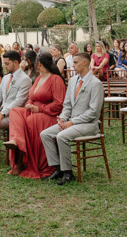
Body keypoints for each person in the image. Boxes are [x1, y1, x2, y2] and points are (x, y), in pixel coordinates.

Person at [40, 52, 104, 186]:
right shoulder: (73, 80)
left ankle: (68, 172)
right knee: (45, 134)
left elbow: (93, 112)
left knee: (61, 136)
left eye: (75, 62)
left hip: (89, 124)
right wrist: (62, 119)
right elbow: (67, 104)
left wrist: (72, 122)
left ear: (85, 63)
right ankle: (58, 168)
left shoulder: (96, 83)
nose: (72, 65)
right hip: (71, 122)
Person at [6, 51, 66, 178]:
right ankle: (16, 140)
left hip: (49, 115)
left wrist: (40, 109)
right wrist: (28, 103)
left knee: (30, 121)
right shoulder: (38, 78)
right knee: (15, 111)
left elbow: (58, 104)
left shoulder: (56, 79)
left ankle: (22, 160)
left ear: (39, 64)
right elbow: (31, 96)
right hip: (33, 109)